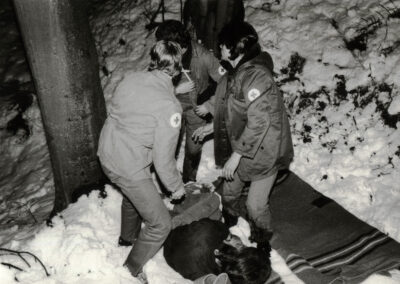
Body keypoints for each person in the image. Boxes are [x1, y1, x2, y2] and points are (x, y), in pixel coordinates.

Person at [193, 21, 294, 250]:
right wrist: (210, 127)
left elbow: (260, 121)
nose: (219, 50)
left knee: (255, 205)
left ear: (232, 48)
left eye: (222, 46)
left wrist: (236, 156)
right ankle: (230, 220)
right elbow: (232, 109)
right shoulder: (236, 72)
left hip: (265, 150)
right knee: (229, 191)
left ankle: (263, 238)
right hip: (244, 145)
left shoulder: (257, 77)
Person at [97, 40, 186, 279]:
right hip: (128, 165)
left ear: (154, 61)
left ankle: (127, 239)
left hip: (107, 151)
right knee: (161, 224)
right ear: (177, 69)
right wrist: (176, 187)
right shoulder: (170, 108)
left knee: (132, 195)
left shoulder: (130, 79)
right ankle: (131, 269)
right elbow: (163, 160)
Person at [155, 19, 226, 183]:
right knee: (168, 147)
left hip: (196, 110)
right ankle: (169, 181)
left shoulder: (203, 56)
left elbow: (227, 82)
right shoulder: (162, 54)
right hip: (172, 108)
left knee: (193, 150)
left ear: (178, 46)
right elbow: (152, 85)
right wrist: (175, 90)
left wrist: (210, 105)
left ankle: (189, 182)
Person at [163, 218, 272, 283]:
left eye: (243, 246)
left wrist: (227, 236)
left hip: (172, 238)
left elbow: (216, 225)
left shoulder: (210, 229)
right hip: (171, 253)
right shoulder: (207, 277)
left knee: (213, 201)